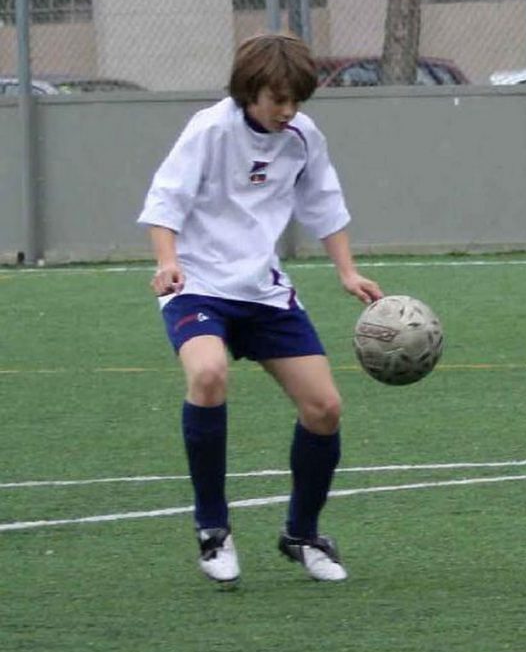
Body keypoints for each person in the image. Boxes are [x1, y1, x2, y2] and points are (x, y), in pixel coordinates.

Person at [138, 32, 382, 585]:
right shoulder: (210, 129)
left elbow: (324, 201)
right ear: (249, 90)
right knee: (207, 374)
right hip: (196, 283)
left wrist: (347, 271)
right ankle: (213, 530)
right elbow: (165, 200)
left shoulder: (302, 135)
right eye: (277, 99)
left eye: (296, 100)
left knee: (324, 408)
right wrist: (167, 261)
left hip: (263, 290)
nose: (287, 110)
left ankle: (301, 533)